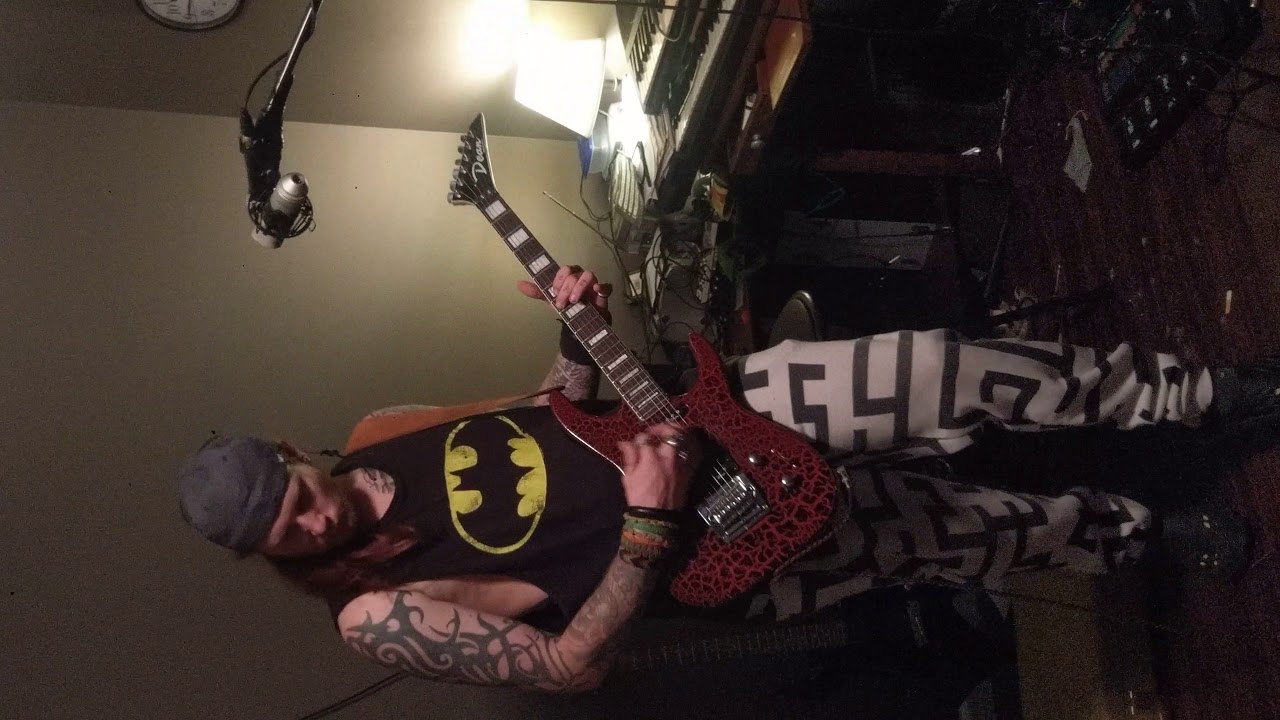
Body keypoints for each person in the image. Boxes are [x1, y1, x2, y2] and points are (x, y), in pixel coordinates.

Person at [177, 266, 1271, 693]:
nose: (307, 523)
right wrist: (648, 524)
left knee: (946, 368)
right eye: (283, 537)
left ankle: (1195, 395)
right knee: (964, 530)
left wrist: (573, 330)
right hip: (732, 549)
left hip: (720, 409)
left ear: (293, 452)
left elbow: (542, 414)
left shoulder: (380, 431)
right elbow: (564, 666)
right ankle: (1145, 532)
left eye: (293, 496)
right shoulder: (371, 615)